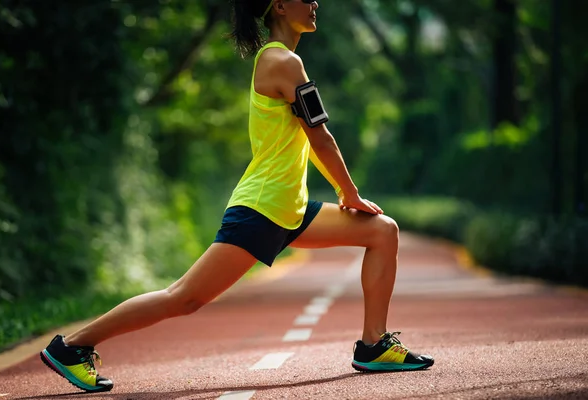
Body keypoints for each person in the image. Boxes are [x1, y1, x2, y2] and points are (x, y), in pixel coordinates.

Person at [39, 0, 434, 393]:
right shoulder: (283, 62)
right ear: (279, 6)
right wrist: (350, 193)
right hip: (262, 210)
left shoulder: (283, 61)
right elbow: (321, 136)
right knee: (183, 298)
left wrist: (344, 194)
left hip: (290, 209)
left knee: (382, 231)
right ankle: (72, 346)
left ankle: (374, 345)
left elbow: (311, 140)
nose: (314, 3)